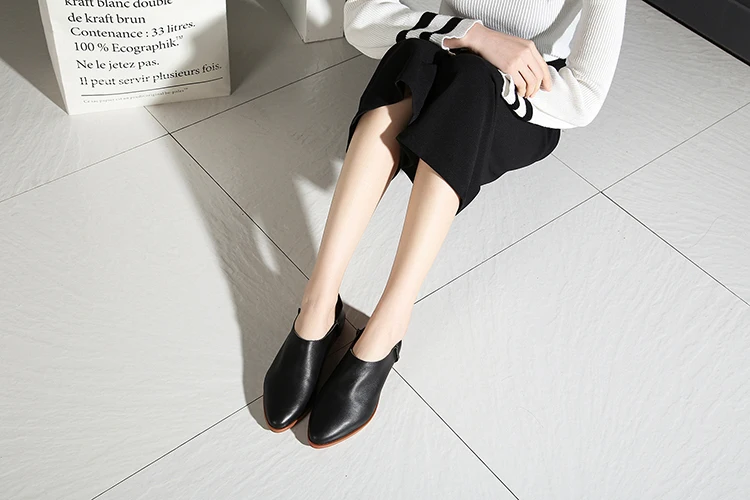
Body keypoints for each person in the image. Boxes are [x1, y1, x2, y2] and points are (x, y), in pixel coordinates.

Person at [263, 0, 627, 448]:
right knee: (412, 55)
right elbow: (361, 18)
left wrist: (500, 74)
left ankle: (389, 323)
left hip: (528, 101)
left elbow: (585, 95)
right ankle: (319, 302)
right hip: (450, 56)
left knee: (471, 80)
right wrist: (473, 35)